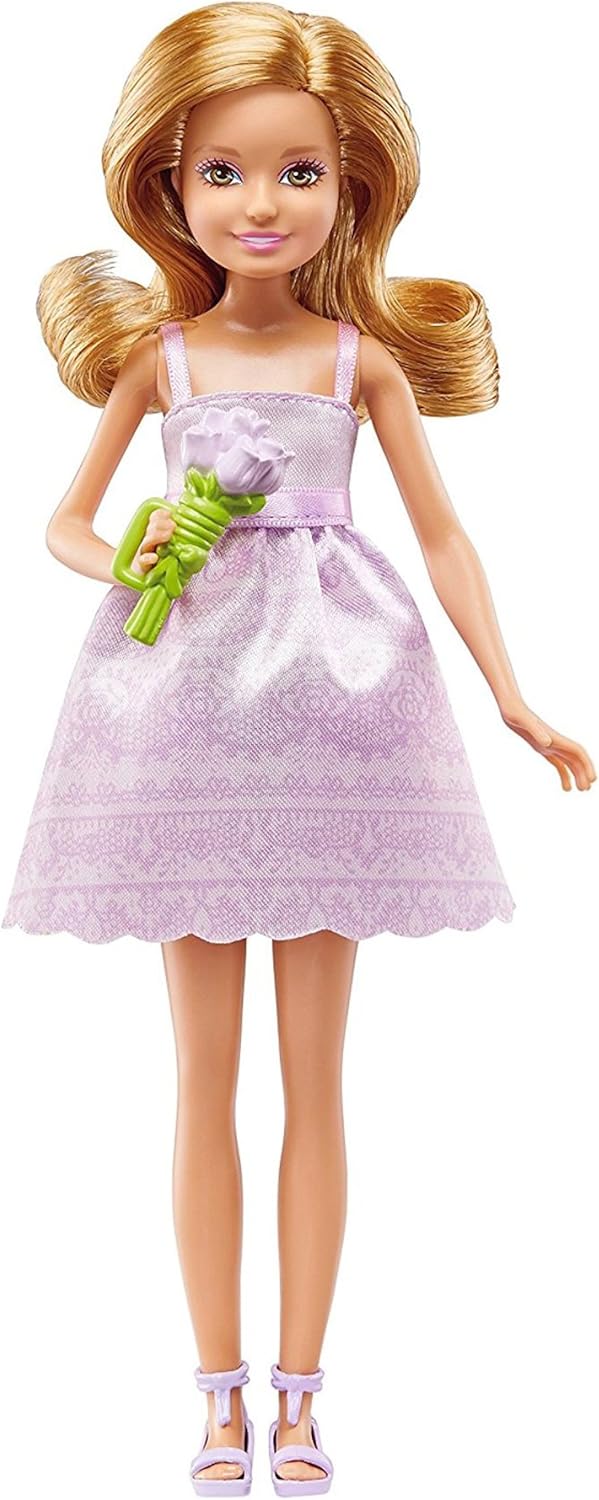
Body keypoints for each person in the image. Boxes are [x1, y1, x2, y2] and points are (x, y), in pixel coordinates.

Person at [2, 5, 595, 1493]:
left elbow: (444, 536)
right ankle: (218, 1400)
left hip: (340, 711)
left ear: (352, 187)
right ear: (169, 184)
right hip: (181, 709)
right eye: (223, 172)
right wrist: (130, 552)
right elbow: (64, 522)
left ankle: (304, 1400)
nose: (259, 204)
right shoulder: (162, 362)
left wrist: (514, 693)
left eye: (298, 174)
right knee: (200, 1077)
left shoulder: (356, 362)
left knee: (315, 1078)